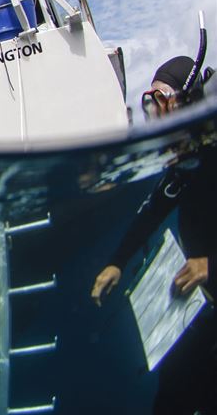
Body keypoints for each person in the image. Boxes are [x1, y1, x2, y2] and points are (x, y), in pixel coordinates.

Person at [91, 55, 216, 414]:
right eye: (150, 104)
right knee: (171, 399)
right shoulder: (185, 165)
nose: (156, 116)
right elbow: (153, 210)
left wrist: (212, 265)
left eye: (162, 100)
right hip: (201, 307)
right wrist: (117, 261)